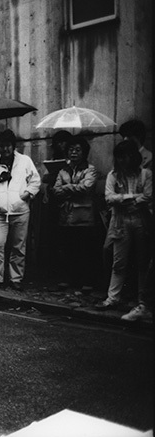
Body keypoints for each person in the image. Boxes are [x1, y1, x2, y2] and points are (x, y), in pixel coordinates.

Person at [96, 141, 152, 318]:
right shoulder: (113, 175)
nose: (122, 160)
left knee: (143, 262)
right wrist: (132, 198)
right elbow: (109, 197)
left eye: (125, 156)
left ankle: (143, 301)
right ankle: (113, 298)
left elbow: (148, 196)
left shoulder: (145, 174)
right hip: (120, 221)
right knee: (118, 261)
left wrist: (125, 199)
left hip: (141, 220)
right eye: (119, 157)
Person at [0, 129, 41, 291]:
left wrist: (26, 194)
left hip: (21, 211)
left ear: (13, 146)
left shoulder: (25, 161)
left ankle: (16, 278)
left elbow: (35, 181)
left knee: (18, 246)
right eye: (1, 146)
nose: (5, 149)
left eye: (8, 146)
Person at [52, 136, 101, 291]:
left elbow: (86, 188)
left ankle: (87, 281)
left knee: (85, 250)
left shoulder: (90, 169)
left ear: (84, 152)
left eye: (77, 150)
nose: (74, 153)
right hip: (66, 216)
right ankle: (70, 279)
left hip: (84, 216)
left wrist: (66, 188)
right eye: (71, 149)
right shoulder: (63, 170)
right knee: (68, 249)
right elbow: (55, 190)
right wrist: (72, 188)